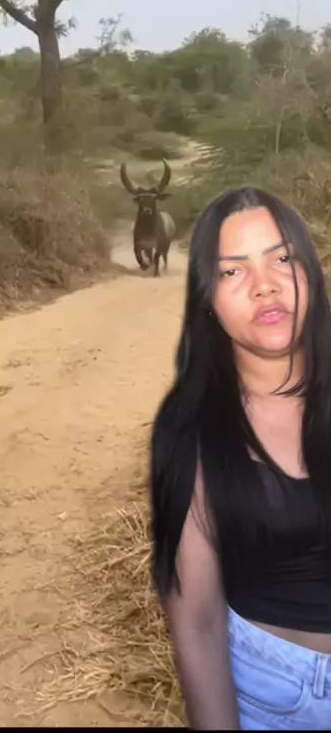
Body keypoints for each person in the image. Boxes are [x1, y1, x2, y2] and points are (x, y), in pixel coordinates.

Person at [150, 186, 331, 731]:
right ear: (207, 297)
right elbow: (198, 621)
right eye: (233, 271)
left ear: (310, 272)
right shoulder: (192, 426)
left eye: (282, 259)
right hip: (284, 698)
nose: (264, 285)